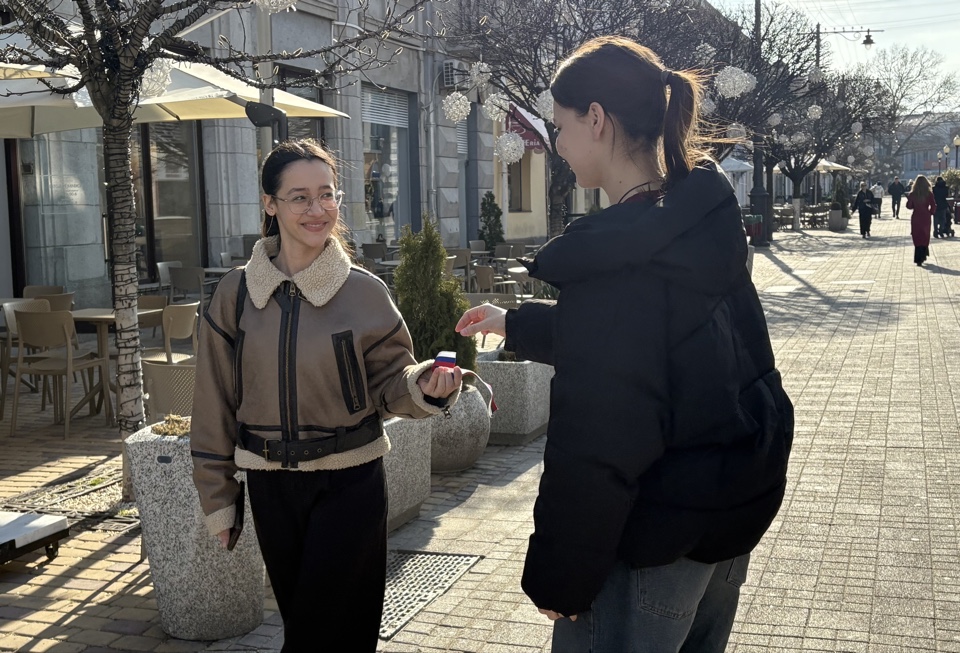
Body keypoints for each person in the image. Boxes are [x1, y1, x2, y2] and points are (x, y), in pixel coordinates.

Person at [455, 35, 794, 653]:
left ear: (597, 119)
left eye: (560, 126)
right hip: (725, 519)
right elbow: (649, 344)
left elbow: (599, 443)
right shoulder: (694, 219)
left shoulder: (619, 260)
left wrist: (559, 574)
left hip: (651, 539)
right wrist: (517, 323)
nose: (557, 143)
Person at [190, 139, 462, 652]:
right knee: (306, 627)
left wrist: (423, 386)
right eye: (299, 197)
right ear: (270, 203)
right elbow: (213, 402)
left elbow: (392, 381)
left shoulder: (364, 291)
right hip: (271, 485)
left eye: (327, 194)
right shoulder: (235, 294)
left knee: (327, 636)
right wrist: (218, 497)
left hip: (349, 483)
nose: (317, 209)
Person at [907, 175, 936, 266]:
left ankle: (918, 257)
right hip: (925, 216)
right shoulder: (929, 193)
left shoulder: (913, 194)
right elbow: (933, 205)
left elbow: (909, 206)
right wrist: (930, 212)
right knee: (925, 235)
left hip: (916, 216)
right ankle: (923, 254)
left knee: (916, 235)